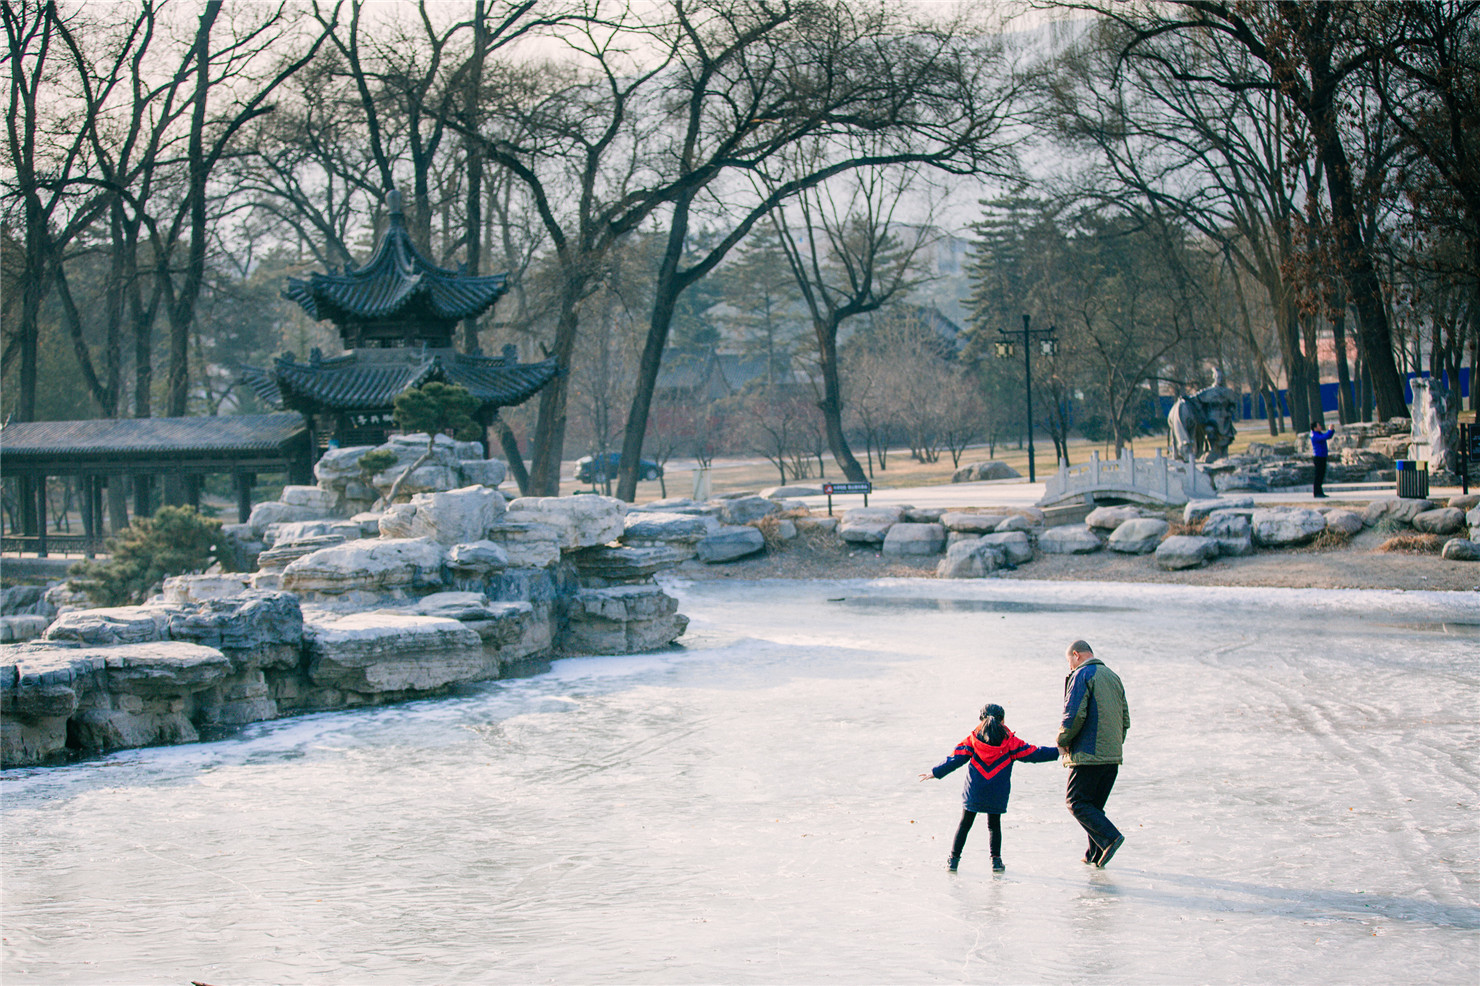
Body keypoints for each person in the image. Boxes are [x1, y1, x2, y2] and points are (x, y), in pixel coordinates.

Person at [920, 702, 1058, 873]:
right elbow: (1034, 753)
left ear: (980, 719)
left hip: (975, 790)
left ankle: (953, 861)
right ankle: (996, 862)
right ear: (1003, 720)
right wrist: (1059, 751)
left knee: (965, 824)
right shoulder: (1010, 742)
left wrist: (935, 772)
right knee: (994, 825)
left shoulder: (973, 740)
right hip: (997, 791)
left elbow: (955, 759)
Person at [1059, 640, 1129, 868]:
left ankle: (1110, 837)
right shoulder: (1113, 676)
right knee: (1093, 806)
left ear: (1076, 655)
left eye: (1069, 661)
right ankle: (1095, 852)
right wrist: (1114, 746)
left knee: (1076, 802)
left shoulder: (1082, 675)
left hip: (1089, 754)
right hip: (1111, 755)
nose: (1069, 666)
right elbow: (1125, 719)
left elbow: (1073, 714)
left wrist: (1063, 740)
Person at [1310, 421, 1335, 498]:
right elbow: (1324, 437)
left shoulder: (1318, 433)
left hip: (1323, 456)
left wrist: (1331, 431)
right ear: (1315, 428)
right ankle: (1316, 492)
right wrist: (1330, 430)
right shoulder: (1314, 435)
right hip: (1318, 457)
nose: (1320, 427)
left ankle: (1320, 492)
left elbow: (1328, 436)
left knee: (1321, 475)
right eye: (1318, 425)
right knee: (1318, 475)